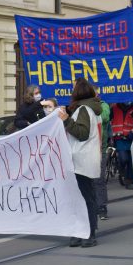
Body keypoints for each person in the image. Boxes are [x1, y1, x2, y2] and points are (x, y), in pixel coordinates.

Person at [58, 78, 102, 248]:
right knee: (81, 197)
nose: (71, 90)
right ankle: (81, 231)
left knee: (85, 198)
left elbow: (82, 133)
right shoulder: (88, 108)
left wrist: (66, 120)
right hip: (84, 158)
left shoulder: (84, 109)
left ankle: (88, 233)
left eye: (73, 88)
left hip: (81, 159)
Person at [110, 103, 133, 188]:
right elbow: (107, 120)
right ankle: (121, 171)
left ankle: (128, 180)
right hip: (119, 137)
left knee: (130, 160)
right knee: (124, 158)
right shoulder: (114, 108)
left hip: (131, 137)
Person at [93, 97, 111, 220]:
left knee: (99, 179)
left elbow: (105, 117)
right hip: (87, 148)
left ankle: (102, 206)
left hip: (100, 148)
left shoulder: (103, 105)